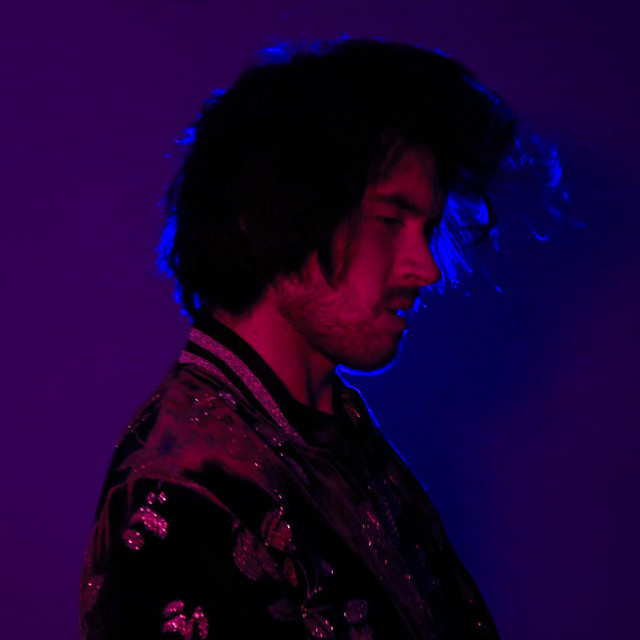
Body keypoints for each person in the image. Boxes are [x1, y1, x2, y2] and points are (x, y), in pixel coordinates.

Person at [80, 38, 518, 639]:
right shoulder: (182, 492)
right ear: (272, 214)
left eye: (429, 227)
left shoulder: (339, 437)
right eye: (389, 221)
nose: (425, 267)